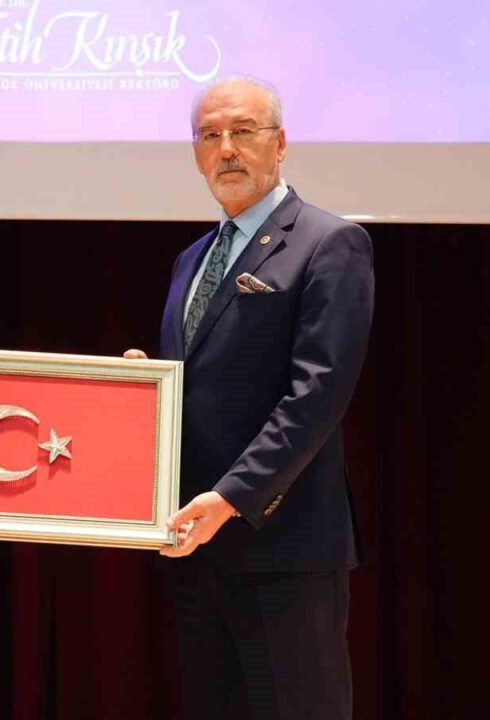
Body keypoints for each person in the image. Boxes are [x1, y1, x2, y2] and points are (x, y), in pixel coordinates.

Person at [128, 77, 374, 719]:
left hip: (285, 548)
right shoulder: (192, 258)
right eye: (210, 135)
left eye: (243, 131)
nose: (227, 148)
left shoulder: (330, 242)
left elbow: (317, 395)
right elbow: (208, 382)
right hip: (196, 546)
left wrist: (232, 497)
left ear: (281, 143)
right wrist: (146, 390)